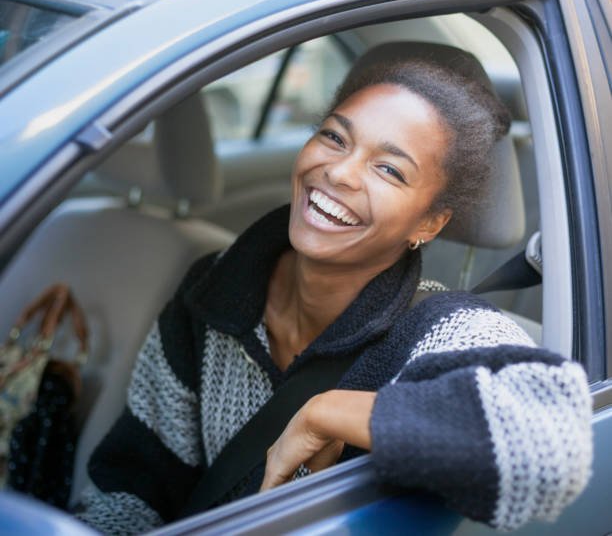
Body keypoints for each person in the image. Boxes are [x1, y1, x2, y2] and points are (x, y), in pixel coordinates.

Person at [75, 44, 592, 534]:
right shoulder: (214, 288)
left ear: (429, 224)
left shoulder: (437, 330)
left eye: (389, 169)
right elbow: (138, 477)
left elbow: (555, 448)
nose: (340, 172)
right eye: (335, 137)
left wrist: (330, 412)